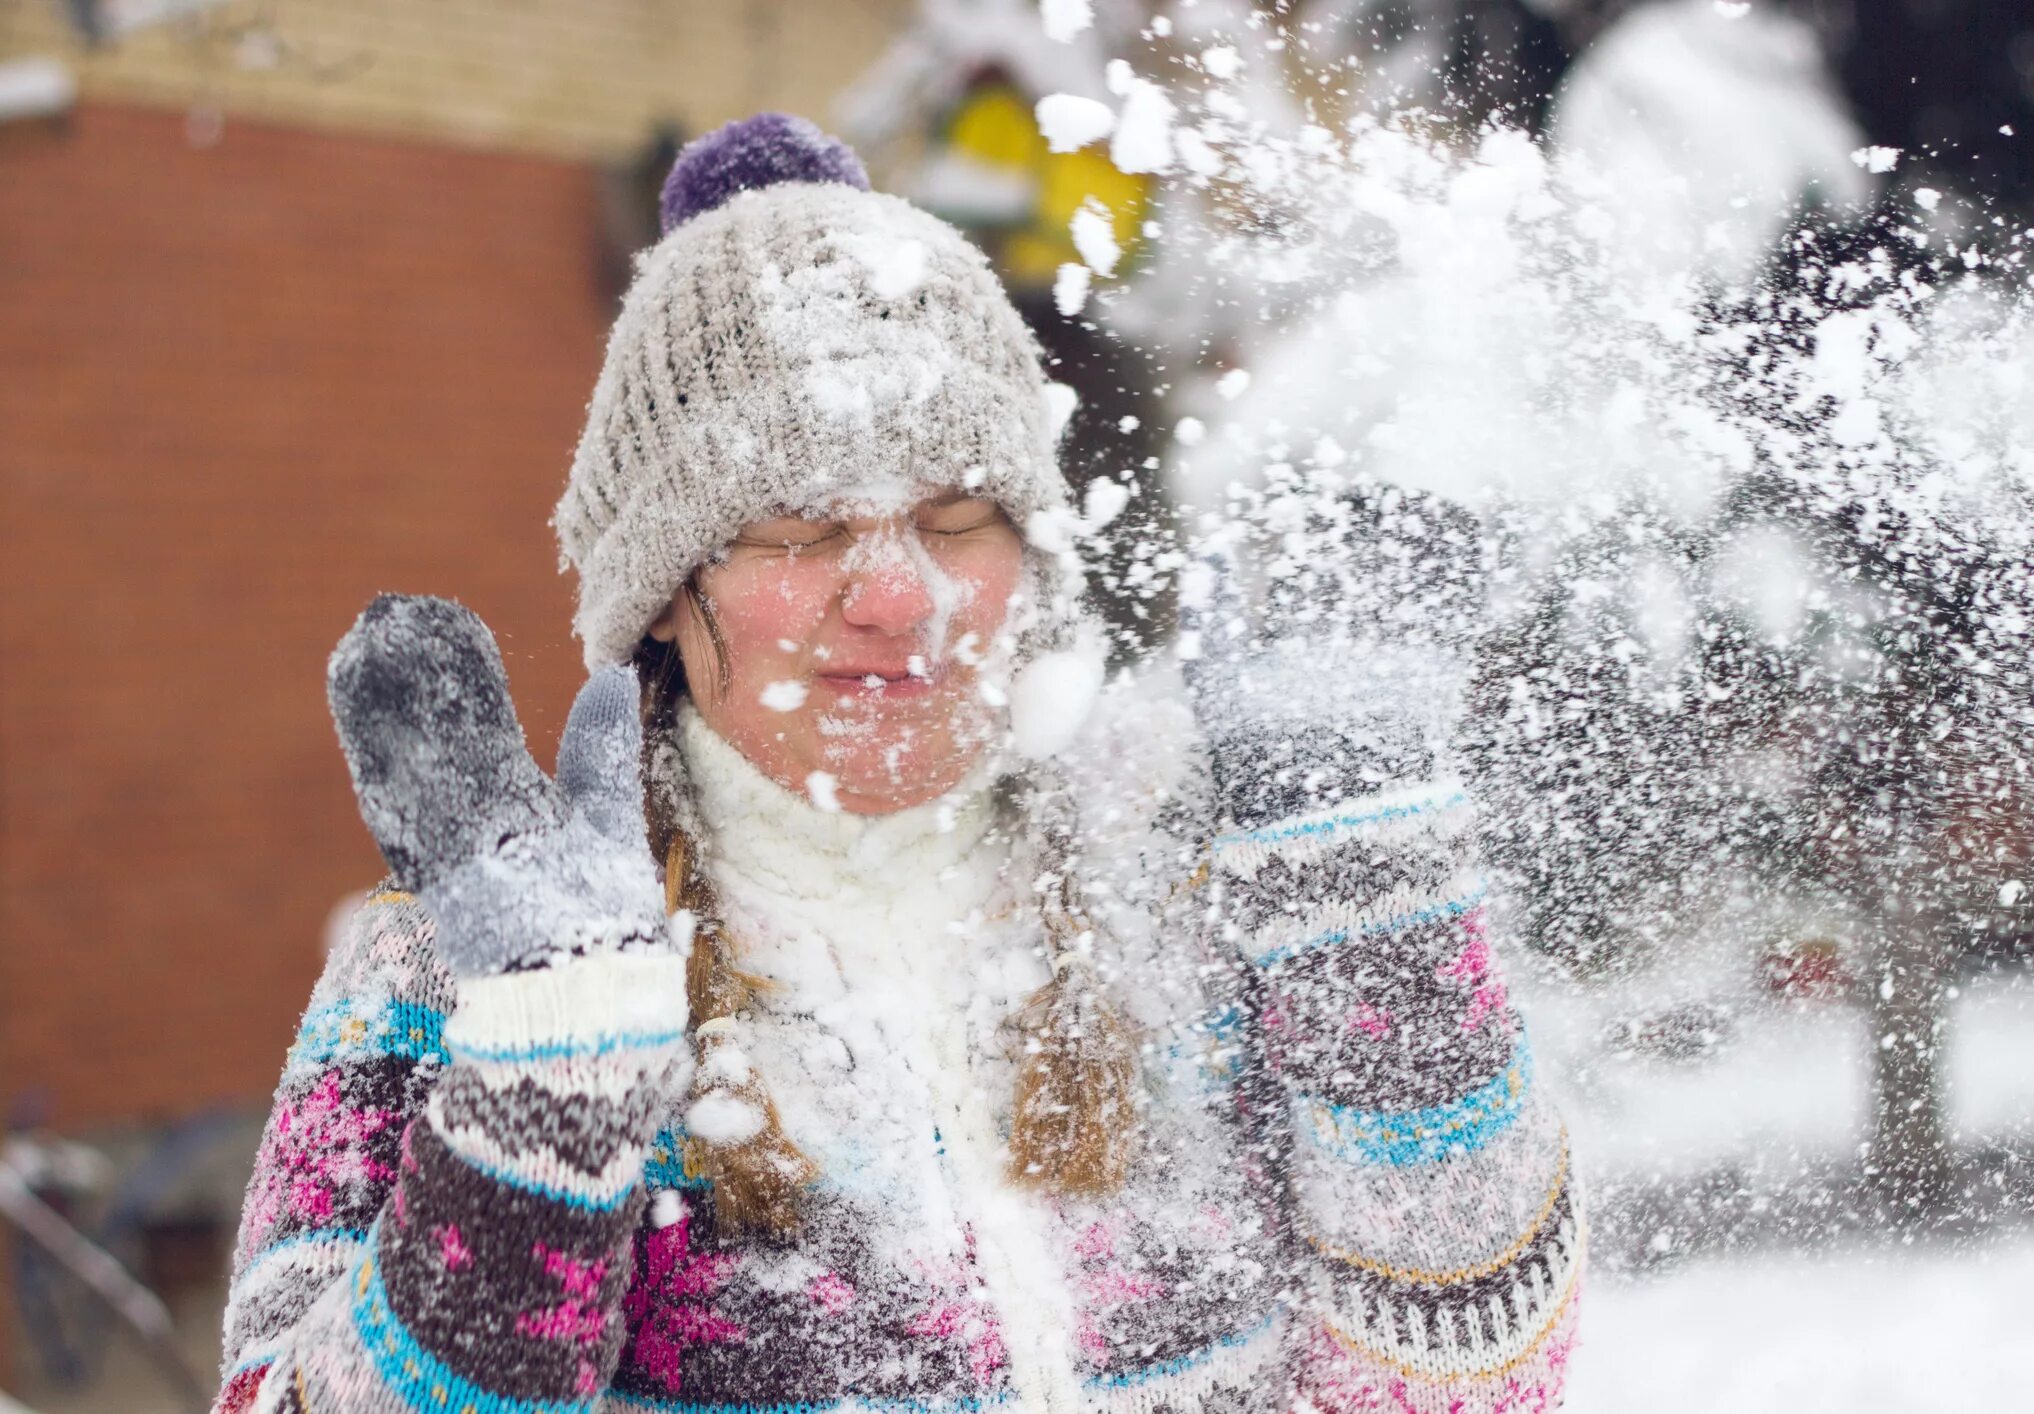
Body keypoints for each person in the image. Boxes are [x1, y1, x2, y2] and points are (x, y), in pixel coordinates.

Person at [213, 113, 1582, 1414]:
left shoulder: (1199, 890)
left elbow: (1467, 1385)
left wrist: (1383, 925)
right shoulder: (466, 969)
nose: (899, 596)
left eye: (957, 513)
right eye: (801, 527)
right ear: (664, 592)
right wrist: (534, 1114)